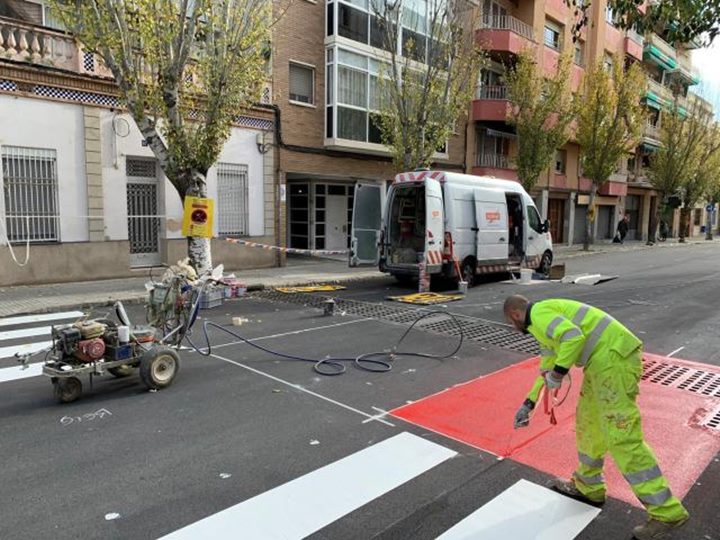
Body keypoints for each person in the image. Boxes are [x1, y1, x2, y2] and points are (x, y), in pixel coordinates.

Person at [504, 295, 689, 540]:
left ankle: (667, 513)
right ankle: (588, 486)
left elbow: (572, 337)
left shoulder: (539, 314)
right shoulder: (541, 327)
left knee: (621, 435)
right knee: (589, 425)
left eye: (510, 321)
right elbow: (547, 366)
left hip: (614, 360)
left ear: (515, 315)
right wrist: (529, 403)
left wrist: (559, 374)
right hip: (602, 363)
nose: (513, 326)